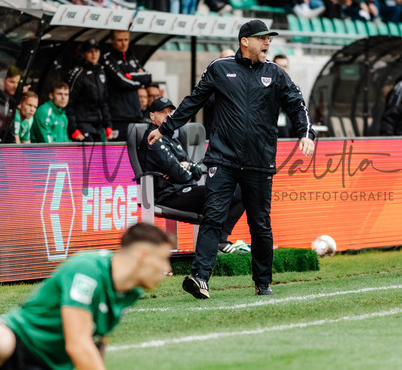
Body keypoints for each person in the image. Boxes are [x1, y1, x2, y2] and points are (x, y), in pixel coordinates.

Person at [147, 20, 315, 298]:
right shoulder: (220, 68)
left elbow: (297, 104)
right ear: (244, 41)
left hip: (260, 162)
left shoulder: (275, 73)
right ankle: (199, 278)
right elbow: (193, 101)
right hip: (222, 160)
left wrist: (305, 134)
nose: (267, 43)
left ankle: (263, 283)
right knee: (213, 217)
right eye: (262, 38)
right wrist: (165, 129)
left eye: (269, 39)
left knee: (260, 224)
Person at [0, 223, 172, 370]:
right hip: (20, 341)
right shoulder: (87, 270)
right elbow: (78, 344)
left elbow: (97, 339)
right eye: (163, 259)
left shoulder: (131, 291)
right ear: (142, 257)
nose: (167, 269)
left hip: (52, 365)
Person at [140, 97, 246, 252]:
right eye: (162, 112)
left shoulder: (171, 138)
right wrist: (182, 169)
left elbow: (195, 171)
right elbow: (181, 174)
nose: (167, 115)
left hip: (185, 189)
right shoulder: (153, 139)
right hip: (169, 194)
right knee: (223, 191)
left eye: (170, 112)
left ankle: (220, 239)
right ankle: (217, 241)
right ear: (152, 116)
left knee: (242, 191)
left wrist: (187, 166)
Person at [103, 30, 152, 141]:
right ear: (112, 41)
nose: (124, 43)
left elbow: (148, 77)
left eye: (126, 40)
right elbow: (121, 81)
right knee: (120, 150)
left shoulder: (130, 56)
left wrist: (129, 76)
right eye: (120, 40)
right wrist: (138, 80)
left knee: (138, 149)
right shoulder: (108, 57)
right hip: (119, 117)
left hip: (136, 114)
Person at [67, 39, 113, 142]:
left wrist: (108, 125)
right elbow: (68, 103)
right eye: (90, 51)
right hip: (82, 124)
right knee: (89, 151)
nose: (94, 54)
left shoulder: (101, 71)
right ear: (83, 54)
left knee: (101, 152)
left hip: (98, 125)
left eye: (96, 51)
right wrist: (73, 129)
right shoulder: (77, 73)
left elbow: (104, 101)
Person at [273, 55, 296, 138]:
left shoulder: (294, 90)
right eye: (279, 66)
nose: (283, 70)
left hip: (289, 137)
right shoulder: (265, 88)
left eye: (285, 66)